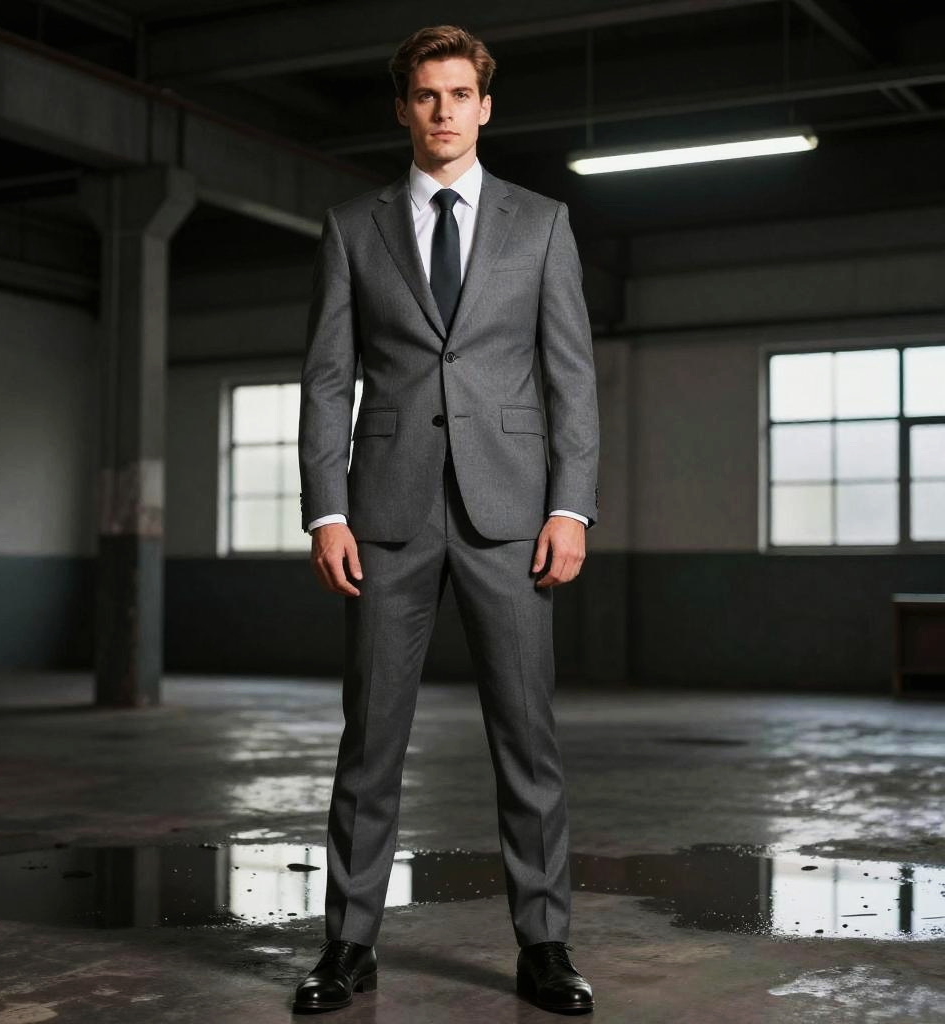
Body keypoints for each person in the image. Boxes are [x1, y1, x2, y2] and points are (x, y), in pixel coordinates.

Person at [294, 24, 599, 1015]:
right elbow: (328, 378)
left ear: (485, 106)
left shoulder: (542, 223)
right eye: (425, 95)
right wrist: (325, 509)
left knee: (528, 738)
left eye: (459, 93)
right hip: (384, 512)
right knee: (369, 738)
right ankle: (347, 944)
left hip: (512, 514)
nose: (442, 111)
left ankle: (545, 946)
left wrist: (569, 506)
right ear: (402, 107)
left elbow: (570, 379)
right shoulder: (353, 226)